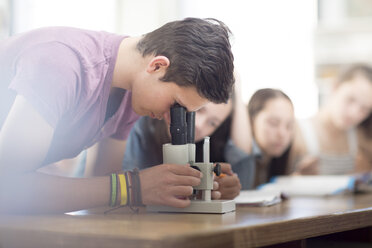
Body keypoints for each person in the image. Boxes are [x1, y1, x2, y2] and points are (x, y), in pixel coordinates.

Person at [0, 17, 235, 214]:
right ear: (157, 66)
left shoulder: (132, 94)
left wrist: (193, 183)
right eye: (176, 105)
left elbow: (101, 190)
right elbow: (7, 187)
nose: (171, 120)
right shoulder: (62, 64)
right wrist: (135, 186)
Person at [122, 81, 251, 199]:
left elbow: (244, 164)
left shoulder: (206, 147)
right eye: (198, 110)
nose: (199, 125)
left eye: (212, 123)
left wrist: (213, 187)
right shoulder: (135, 127)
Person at [289, 64, 372, 175]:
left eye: (365, 109)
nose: (354, 113)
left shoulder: (362, 138)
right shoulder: (296, 132)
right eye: (351, 99)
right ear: (335, 87)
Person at [232, 88, 295, 188]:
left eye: (289, 126)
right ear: (251, 121)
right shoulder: (238, 153)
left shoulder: (278, 161)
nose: (282, 134)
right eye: (273, 123)